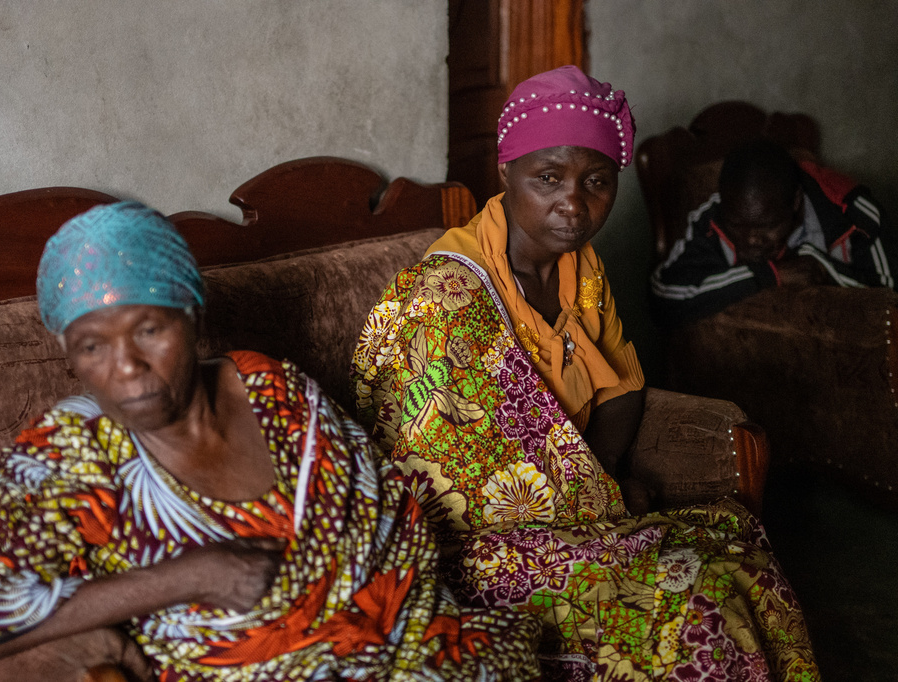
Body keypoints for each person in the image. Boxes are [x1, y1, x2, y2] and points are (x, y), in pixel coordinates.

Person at [0, 202, 543, 682]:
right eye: (92, 346)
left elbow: (389, 522)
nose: (126, 368)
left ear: (193, 315)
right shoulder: (69, 453)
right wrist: (189, 575)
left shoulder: (270, 389)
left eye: (149, 329)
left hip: (403, 643)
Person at [351, 66, 820, 681]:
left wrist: (604, 477)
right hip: (472, 549)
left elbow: (622, 386)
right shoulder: (443, 300)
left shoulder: (582, 267)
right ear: (505, 172)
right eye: (548, 178)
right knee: (694, 600)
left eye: (596, 182)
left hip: (575, 515)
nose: (573, 203)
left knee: (742, 558)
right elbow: (451, 486)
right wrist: (596, 505)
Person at [650, 138, 896, 326]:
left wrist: (821, 267)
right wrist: (769, 275)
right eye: (737, 226)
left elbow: (891, 305)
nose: (751, 240)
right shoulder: (715, 215)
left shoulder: (855, 214)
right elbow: (663, 298)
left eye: (768, 226)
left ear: (796, 202)